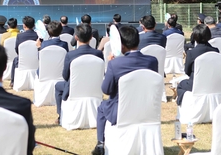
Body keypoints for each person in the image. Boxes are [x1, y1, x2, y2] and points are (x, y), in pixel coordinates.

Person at [92, 25, 158, 155]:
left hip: (122, 111)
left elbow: (106, 89)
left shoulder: (115, 64)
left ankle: (100, 143)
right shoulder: (152, 61)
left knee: (102, 107)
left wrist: (110, 66)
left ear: (121, 45)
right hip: (147, 108)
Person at [54, 24, 103, 124]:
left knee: (58, 86)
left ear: (75, 37)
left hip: (74, 89)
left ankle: (60, 115)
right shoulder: (98, 54)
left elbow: (65, 76)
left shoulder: (71, 55)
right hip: (94, 88)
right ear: (91, 37)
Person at [176, 24, 219, 106]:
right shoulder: (216, 51)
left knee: (181, 85)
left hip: (196, 84)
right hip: (212, 83)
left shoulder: (192, 53)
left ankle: (184, 106)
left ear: (195, 37)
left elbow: (187, 71)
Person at [10, 16, 38, 87]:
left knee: (15, 60)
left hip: (22, 59)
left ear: (24, 25)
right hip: (36, 59)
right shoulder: (38, 35)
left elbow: (17, 49)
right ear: (34, 25)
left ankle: (13, 82)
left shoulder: (20, 36)